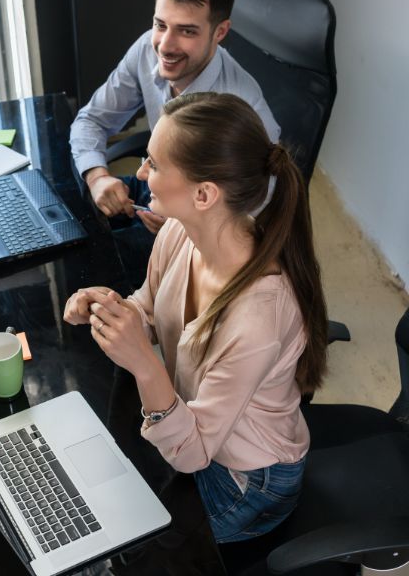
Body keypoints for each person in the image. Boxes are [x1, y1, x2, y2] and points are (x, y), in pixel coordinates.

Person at [63, 92, 327, 542]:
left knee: (122, 538)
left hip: (245, 481)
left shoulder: (257, 319)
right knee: (91, 485)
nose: (141, 173)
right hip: (191, 426)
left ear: (204, 194)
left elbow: (196, 453)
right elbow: (148, 307)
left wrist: (145, 364)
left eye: (154, 164)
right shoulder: (179, 235)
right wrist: (113, 309)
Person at [70, 0, 280, 276]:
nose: (165, 46)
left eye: (187, 31)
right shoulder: (147, 48)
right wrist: (97, 177)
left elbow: (255, 208)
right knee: (73, 229)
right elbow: (91, 120)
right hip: (156, 187)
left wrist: (185, 224)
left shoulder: (243, 106)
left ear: (220, 32)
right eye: (160, 24)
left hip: (201, 222)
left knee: (114, 281)